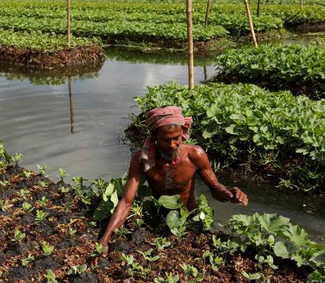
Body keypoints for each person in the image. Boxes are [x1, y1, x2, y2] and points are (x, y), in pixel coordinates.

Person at [97, 106, 248, 256]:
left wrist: (229, 194)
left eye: (176, 138)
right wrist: (105, 238)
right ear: (154, 136)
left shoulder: (195, 155)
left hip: (189, 218)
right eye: (165, 140)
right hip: (159, 218)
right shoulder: (141, 159)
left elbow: (215, 189)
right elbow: (126, 202)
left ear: (183, 133)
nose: (171, 145)